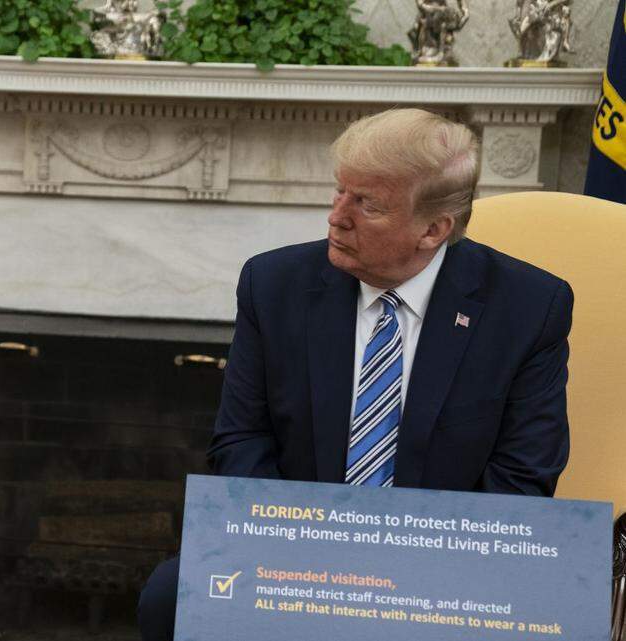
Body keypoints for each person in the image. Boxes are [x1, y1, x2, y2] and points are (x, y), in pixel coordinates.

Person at [137, 108, 572, 641]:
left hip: (446, 564)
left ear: (433, 229)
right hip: (292, 548)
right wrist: (307, 560)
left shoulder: (529, 307)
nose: (336, 217)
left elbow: (524, 477)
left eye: (367, 204)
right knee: (168, 597)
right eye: (340, 191)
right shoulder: (273, 285)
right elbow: (240, 440)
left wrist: (399, 576)